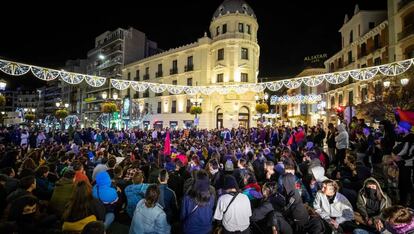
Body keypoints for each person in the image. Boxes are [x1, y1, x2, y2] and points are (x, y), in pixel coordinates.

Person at [181, 170, 215, 234]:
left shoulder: (187, 198)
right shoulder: (211, 197)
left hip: (190, 229)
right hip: (206, 229)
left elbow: (183, 215)